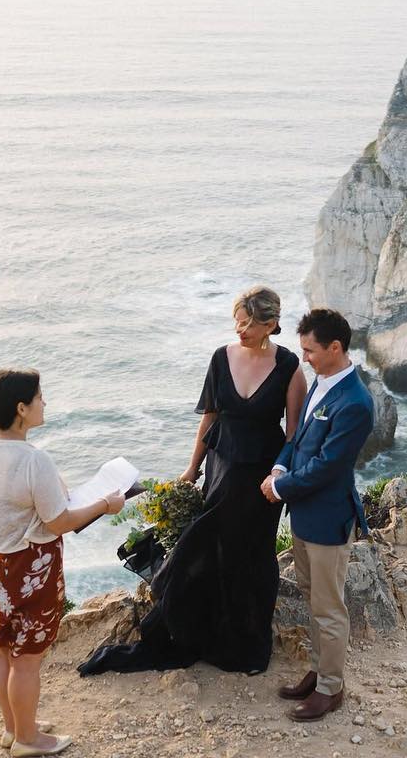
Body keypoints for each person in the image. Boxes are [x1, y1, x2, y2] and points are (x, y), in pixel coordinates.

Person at [78, 285, 307, 676]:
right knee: (203, 546)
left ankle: (247, 648)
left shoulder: (290, 367)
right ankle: (199, 632)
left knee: (251, 557)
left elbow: (293, 434)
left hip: (261, 480)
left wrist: (279, 475)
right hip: (220, 469)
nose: (239, 331)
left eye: (248, 324)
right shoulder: (221, 359)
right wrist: (191, 468)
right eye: (237, 322)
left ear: (270, 324)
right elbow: (210, 418)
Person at [0, 368, 126, 758]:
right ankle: (28, 740)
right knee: (27, 659)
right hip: (31, 568)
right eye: (39, 398)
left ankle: (13, 729)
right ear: (21, 409)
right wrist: (106, 505)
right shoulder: (34, 460)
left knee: (2, 650)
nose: (44, 403)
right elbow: (60, 522)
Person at [260, 307, 374, 722]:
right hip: (304, 515)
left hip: (327, 518)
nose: (303, 358)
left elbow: (327, 465)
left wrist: (279, 488)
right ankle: (318, 668)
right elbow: (299, 438)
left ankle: (331, 687)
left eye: (310, 350)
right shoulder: (321, 383)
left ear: (335, 348)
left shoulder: (356, 402)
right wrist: (279, 466)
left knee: (329, 607)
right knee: (312, 598)